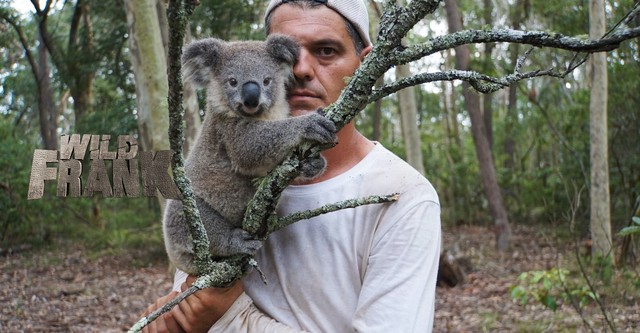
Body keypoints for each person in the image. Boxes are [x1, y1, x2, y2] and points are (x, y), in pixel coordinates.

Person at [141, 0, 441, 332]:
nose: (300, 70)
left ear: (367, 67)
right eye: (289, 57)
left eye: (326, 51)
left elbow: (211, 310)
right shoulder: (222, 160)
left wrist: (230, 315)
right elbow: (189, 303)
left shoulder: (403, 196)